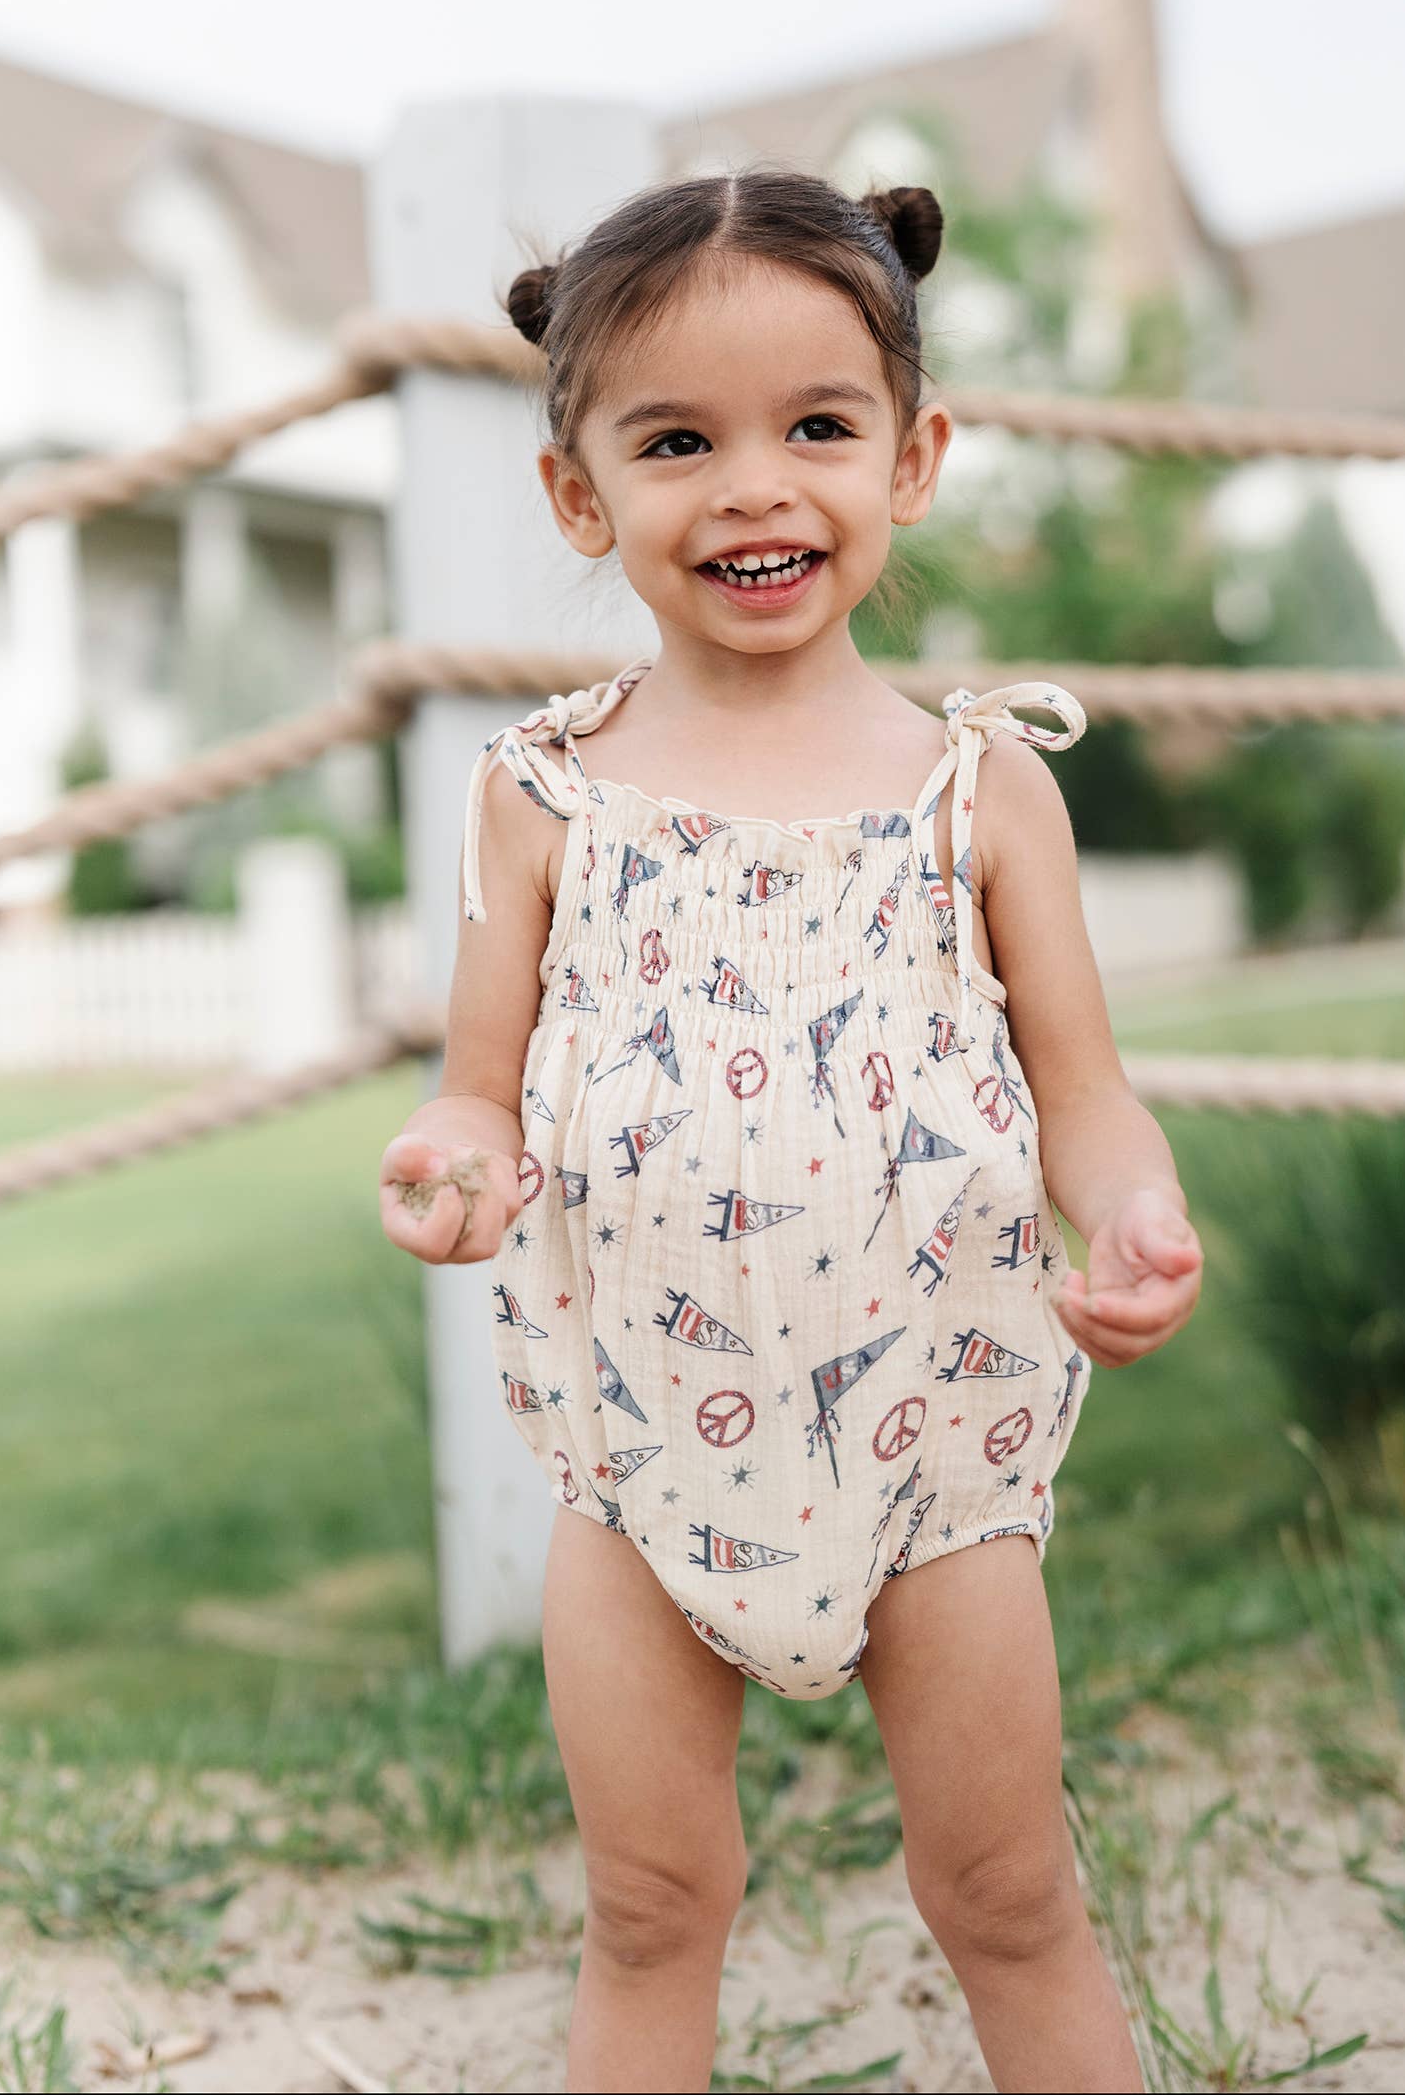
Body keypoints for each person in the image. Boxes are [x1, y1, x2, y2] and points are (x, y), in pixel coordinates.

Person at [379, 169, 1204, 2095]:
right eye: (677, 442)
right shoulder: (543, 797)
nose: (754, 486)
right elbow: (480, 1076)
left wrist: (1133, 1211)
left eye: (815, 428)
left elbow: (1082, 1096)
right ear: (582, 497)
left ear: (910, 459)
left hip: (935, 1435)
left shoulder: (979, 790)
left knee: (1004, 1889)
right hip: (643, 1438)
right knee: (651, 1903)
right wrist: (458, 1157)